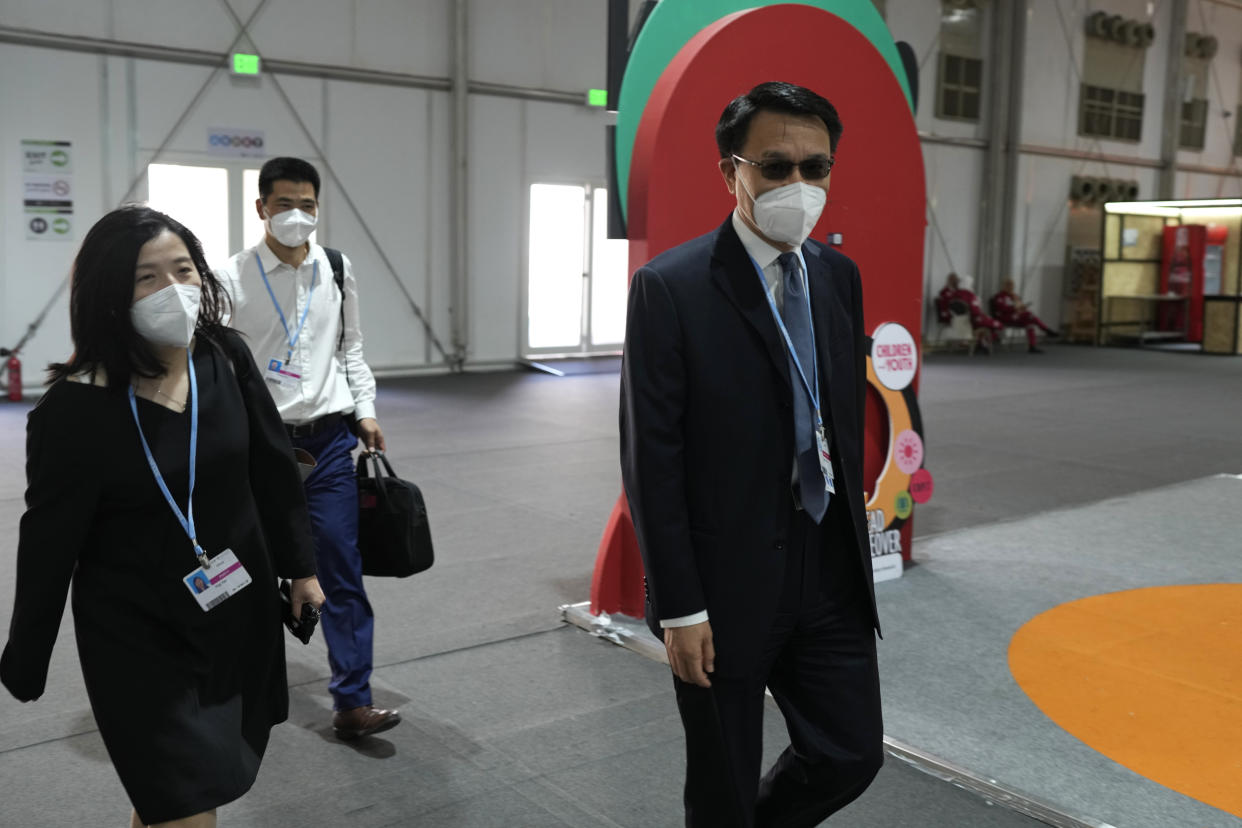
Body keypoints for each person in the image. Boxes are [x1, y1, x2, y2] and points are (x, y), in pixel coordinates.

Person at [0, 205, 325, 828]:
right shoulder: (75, 408)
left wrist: (300, 569)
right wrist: (26, 655)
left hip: (233, 608)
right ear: (108, 296)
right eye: (146, 278)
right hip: (138, 637)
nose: (172, 289)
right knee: (181, 793)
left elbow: (272, 469)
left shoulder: (223, 358)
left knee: (174, 796)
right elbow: (48, 541)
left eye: (183, 270)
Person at [620, 81, 883, 826]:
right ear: (729, 171)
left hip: (826, 563)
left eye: (816, 167)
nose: (798, 186)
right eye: (775, 167)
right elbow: (652, 457)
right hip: (722, 583)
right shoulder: (671, 287)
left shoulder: (838, 277)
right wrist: (679, 605)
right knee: (722, 786)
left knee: (851, 754)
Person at [215, 157, 399, 740]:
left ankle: (353, 700)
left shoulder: (338, 269)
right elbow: (217, 368)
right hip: (256, 449)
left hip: (326, 444)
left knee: (341, 570)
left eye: (308, 205)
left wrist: (365, 412)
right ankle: (243, 688)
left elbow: (352, 348)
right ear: (261, 208)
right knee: (248, 570)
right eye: (285, 204)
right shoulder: (230, 279)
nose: (298, 215)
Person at [936, 272, 1002, 353]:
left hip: (959, 319)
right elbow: (975, 311)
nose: (956, 282)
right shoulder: (969, 295)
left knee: (988, 324)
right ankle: (982, 341)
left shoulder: (955, 294)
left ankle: (981, 341)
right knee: (992, 324)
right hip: (970, 319)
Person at [990, 277, 1059, 353]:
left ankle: (1032, 346)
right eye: (1008, 285)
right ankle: (1046, 329)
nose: (1010, 287)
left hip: (1017, 316)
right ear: (1004, 286)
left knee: (1030, 322)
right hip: (1005, 317)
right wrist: (1015, 308)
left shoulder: (1014, 296)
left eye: (1012, 285)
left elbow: (1020, 307)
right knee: (1029, 315)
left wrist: (1022, 307)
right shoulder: (999, 297)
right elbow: (1002, 309)